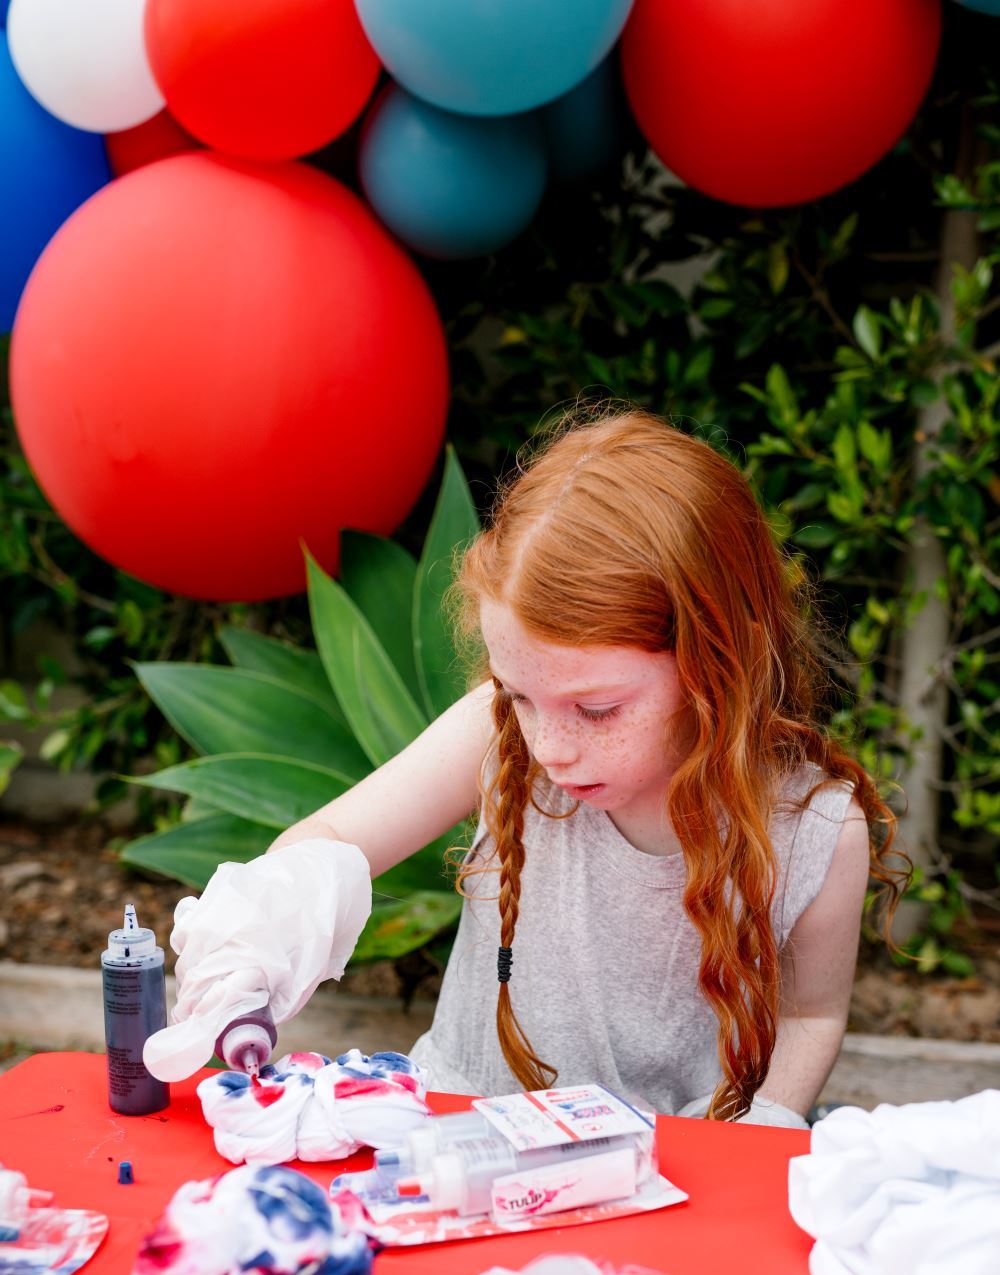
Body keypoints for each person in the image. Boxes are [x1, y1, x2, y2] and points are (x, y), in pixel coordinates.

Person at [168, 407, 909, 1126]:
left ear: (720, 663)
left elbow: (813, 1014)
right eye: (520, 693)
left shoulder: (813, 831)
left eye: (596, 709)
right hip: (458, 1134)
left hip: (669, 1175)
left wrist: (768, 1122)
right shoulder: (498, 735)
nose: (549, 746)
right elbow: (333, 833)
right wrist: (263, 924)